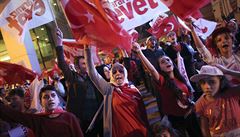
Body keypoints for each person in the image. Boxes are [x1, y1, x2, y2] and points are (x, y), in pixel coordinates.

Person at [132, 42, 202, 137]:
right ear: (160, 68)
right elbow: (152, 70)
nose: (167, 62)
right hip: (176, 120)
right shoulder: (162, 81)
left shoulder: (180, 79)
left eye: (168, 60)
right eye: (162, 62)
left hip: (190, 116)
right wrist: (139, 52)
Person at [85, 45, 149, 137]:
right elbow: (92, 73)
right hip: (122, 133)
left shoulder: (133, 89)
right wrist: (87, 50)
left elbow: (142, 112)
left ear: (125, 74)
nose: (118, 73)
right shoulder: (109, 89)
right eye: (114, 72)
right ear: (111, 75)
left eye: (120, 71)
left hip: (140, 131)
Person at [55, 28, 103, 137]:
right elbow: (62, 63)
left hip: (99, 115)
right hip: (84, 120)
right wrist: (59, 43)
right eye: (83, 64)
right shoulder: (73, 77)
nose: (87, 65)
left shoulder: (94, 76)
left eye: (87, 63)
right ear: (77, 67)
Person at [0, 85, 83, 137]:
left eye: (53, 95)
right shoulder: (37, 120)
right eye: (46, 97)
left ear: (58, 100)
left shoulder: (70, 117)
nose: (50, 98)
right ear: (41, 102)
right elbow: (13, 115)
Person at [186, 19, 240, 86]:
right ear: (216, 45)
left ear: (232, 40)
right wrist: (192, 30)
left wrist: (227, 72)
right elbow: (202, 49)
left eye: (226, 38)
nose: (223, 41)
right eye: (219, 40)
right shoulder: (216, 62)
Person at [191, 65, 240, 136]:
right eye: (203, 82)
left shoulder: (231, 93)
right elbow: (204, 127)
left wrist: (228, 71)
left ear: (220, 80)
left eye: (212, 82)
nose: (207, 86)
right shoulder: (200, 104)